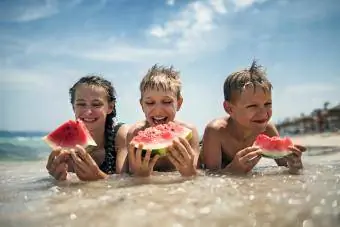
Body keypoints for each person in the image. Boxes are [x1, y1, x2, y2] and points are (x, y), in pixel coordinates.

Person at [202, 60, 305, 175]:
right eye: (252, 106)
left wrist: (294, 165)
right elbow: (209, 176)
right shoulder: (216, 131)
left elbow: (284, 166)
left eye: (267, 104)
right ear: (229, 109)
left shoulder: (268, 129)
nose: (263, 113)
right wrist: (232, 170)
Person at [46, 75, 129, 181]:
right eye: (81, 104)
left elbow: (126, 183)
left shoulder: (121, 135)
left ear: (110, 107)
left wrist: (98, 176)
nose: (88, 112)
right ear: (73, 107)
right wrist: (60, 180)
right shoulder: (67, 151)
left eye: (96, 104)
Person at [126, 64, 200, 177]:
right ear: (142, 105)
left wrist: (190, 172)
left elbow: (196, 178)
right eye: (150, 103)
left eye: (166, 102)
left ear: (179, 104)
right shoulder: (134, 134)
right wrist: (141, 175)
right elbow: (131, 178)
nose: (158, 111)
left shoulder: (190, 132)